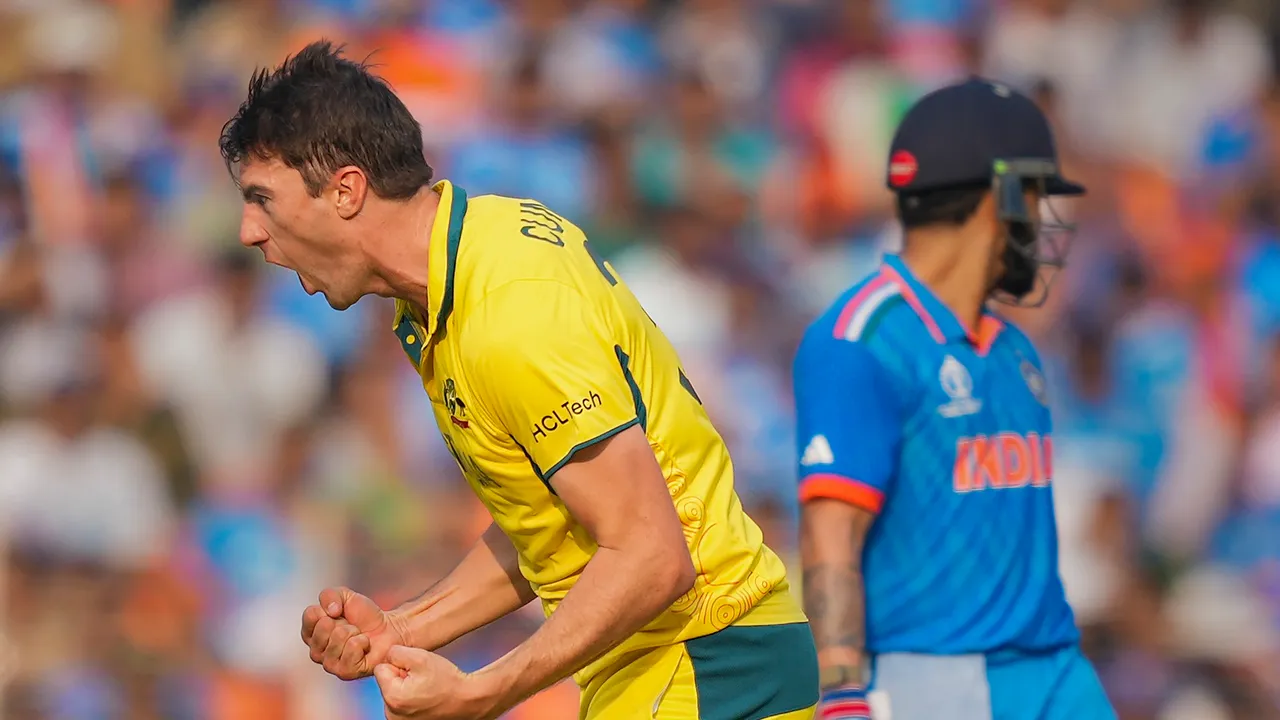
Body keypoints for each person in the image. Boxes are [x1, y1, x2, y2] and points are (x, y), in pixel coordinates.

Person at [219, 40, 818, 720]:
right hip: (684, 666)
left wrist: (483, 692)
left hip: (708, 666)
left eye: (263, 199)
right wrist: (403, 628)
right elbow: (554, 522)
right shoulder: (456, 274)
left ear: (347, 189)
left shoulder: (508, 309)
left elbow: (652, 554)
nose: (247, 232)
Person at [793, 78, 1117, 720]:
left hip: (1055, 668)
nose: (1046, 220)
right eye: (1036, 194)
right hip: (933, 680)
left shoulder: (1016, 352)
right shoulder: (862, 338)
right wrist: (841, 694)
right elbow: (831, 533)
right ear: (1000, 194)